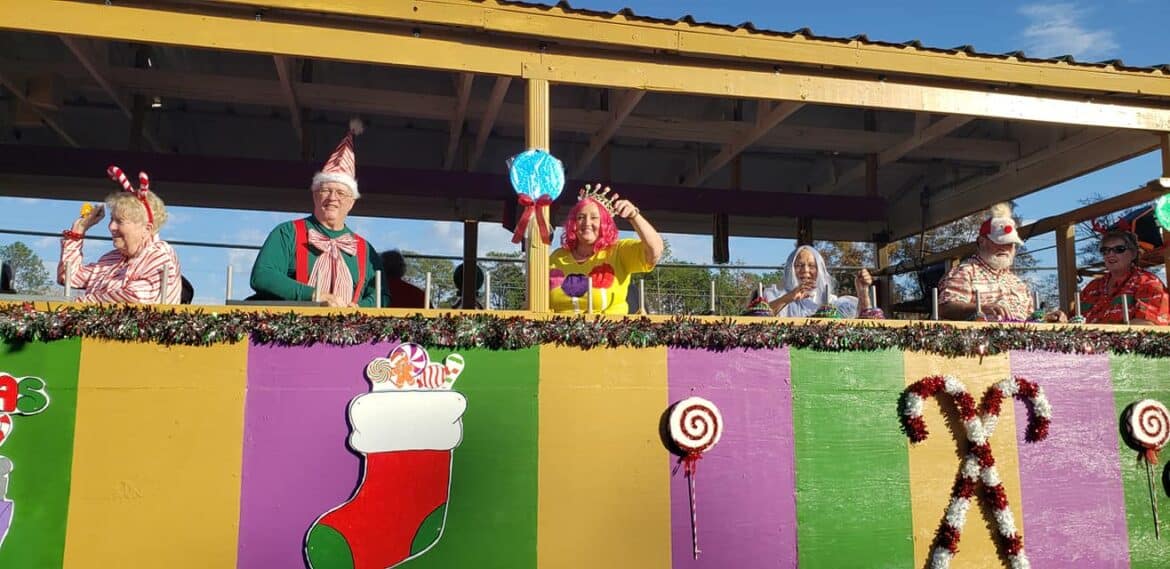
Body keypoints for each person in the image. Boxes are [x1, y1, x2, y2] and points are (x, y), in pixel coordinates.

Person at [250, 120, 385, 307]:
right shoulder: (287, 233)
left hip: (350, 326)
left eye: (341, 193)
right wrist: (313, 295)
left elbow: (381, 295)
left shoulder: (365, 249)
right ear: (315, 195)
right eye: (325, 190)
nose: (332, 198)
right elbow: (262, 275)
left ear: (351, 202)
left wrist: (360, 309)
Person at [57, 166, 182, 304]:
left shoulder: (160, 256)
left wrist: (80, 303)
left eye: (119, 221)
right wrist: (78, 229)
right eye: (111, 219)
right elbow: (68, 277)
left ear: (146, 229)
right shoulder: (111, 259)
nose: (111, 227)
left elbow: (135, 298)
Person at [548, 184, 663, 314]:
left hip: (609, 326)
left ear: (605, 223)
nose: (587, 223)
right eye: (580, 217)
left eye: (594, 218)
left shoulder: (619, 251)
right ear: (573, 224)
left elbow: (655, 251)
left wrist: (634, 216)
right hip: (558, 326)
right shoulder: (556, 257)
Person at [938, 202, 1035, 321]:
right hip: (981, 333)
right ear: (982, 242)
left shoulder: (1017, 282)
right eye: (999, 242)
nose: (1004, 248)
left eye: (1010, 244)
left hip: (1020, 333)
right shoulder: (965, 272)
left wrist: (1046, 318)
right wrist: (980, 309)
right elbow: (946, 308)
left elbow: (1031, 319)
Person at [1075, 231, 1169, 325]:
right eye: (1105, 250)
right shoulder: (1092, 287)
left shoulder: (1148, 282)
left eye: (1119, 249)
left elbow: (1147, 324)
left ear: (1133, 254)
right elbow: (1074, 319)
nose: (1110, 254)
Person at [762, 245, 873, 317]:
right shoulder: (776, 295)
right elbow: (760, 315)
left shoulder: (830, 302)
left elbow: (864, 319)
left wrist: (863, 292)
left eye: (811, 266)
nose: (805, 270)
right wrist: (789, 297)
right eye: (799, 265)